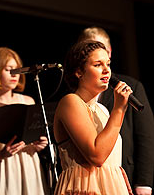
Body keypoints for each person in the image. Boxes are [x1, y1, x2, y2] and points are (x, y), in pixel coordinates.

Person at [78, 26, 154, 195]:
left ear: (109, 52)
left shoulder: (131, 86)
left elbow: (145, 136)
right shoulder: (72, 97)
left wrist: (144, 182)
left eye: (100, 49)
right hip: (87, 178)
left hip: (123, 173)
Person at [53, 40, 133, 194]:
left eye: (108, 64)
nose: (106, 70)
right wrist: (118, 110)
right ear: (79, 72)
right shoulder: (71, 102)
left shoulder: (102, 110)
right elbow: (96, 155)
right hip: (84, 187)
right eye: (98, 65)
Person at [0, 47, 49, 195]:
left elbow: (36, 137)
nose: (15, 74)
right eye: (9, 69)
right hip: (3, 168)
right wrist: (0, 154)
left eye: (17, 69)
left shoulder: (28, 101)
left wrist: (40, 145)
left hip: (29, 166)